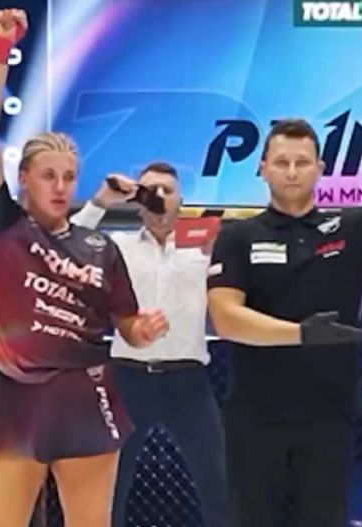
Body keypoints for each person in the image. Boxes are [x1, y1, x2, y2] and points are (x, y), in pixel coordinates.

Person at [0, 10, 169, 527]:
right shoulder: (5, 225)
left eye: (69, 176)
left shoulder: (100, 247)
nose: (60, 186)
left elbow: (127, 324)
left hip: (86, 399)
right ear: (24, 179)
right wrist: (0, 50)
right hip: (11, 400)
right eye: (48, 175)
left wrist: (142, 330)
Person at [206, 118, 362, 527]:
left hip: (328, 416)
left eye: (302, 162)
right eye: (282, 162)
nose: (292, 172)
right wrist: (302, 334)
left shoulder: (352, 227)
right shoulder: (238, 236)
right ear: (262, 168)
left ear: (320, 169)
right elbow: (226, 318)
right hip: (255, 416)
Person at [70, 162, 233, 527]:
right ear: (138, 200)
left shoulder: (204, 247)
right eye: (150, 190)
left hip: (188, 379)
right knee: (111, 483)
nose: (159, 197)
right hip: (128, 377)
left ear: (181, 201)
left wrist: (220, 255)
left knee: (218, 480)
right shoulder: (118, 245)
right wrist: (102, 201)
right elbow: (69, 246)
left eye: (167, 190)